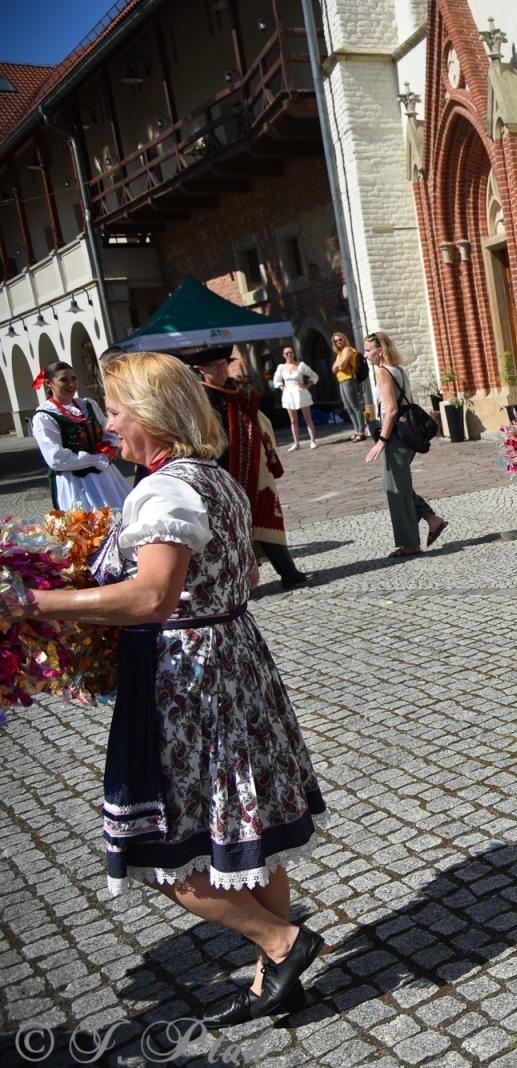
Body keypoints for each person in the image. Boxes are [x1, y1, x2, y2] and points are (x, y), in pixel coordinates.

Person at [2, 351, 326, 1027]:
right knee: (253, 830)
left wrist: (32, 604)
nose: (109, 424)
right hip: (234, 660)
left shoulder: (164, 492)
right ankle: (274, 976)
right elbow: (244, 576)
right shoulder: (215, 478)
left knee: (154, 849)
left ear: (152, 415)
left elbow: (152, 597)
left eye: (118, 411)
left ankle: (281, 941)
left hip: (187, 680)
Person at [184, 347, 312, 590]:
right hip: (220, 470)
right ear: (201, 370)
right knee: (231, 530)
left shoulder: (236, 392)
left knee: (265, 516)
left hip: (250, 466)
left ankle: (289, 573)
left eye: (224, 364)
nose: (222, 370)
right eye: (215, 366)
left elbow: (256, 420)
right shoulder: (199, 399)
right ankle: (239, 583)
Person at [363, 332, 448, 557]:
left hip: (396, 437)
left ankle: (410, 544)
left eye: (368, 350)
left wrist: (381, 441)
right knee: (394, 484)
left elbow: (391, 410)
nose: (365, 355)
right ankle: (431, 518)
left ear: (380, 350)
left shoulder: (383, 371)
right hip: (406, 435)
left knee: (395, 489)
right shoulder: (398, 370)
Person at [30, 360, 130, 510]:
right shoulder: (45, 417)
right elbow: (56, 458)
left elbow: (108, 432)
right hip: (76, 483)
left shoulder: (88, 405)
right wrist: (96, 458)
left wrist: (111, 447)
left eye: (73, 378)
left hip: (107, 477)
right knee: (88, 520)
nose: (71, 384)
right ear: (49, 383)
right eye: (64, 380)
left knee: (122, 512)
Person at [270, 344, 319, 450]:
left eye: (291, 352)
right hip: (289, 394)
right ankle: (296, 443)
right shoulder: (281, 367)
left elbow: (314, 376)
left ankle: (312, 441)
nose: (289, 355)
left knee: (307, 418)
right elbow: (276, 380)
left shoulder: (301, 365)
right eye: (286, 353)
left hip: (301, 392)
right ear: (283, 355)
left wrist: (308, 385)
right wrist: (282, 387)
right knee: (293, 420)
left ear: (293, 354)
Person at [331, 331, 367, 442]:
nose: (338, 342)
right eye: (335, 341)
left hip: (349, 379)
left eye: (340, 339)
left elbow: (342, 366)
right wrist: (338, 366)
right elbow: (333, 370)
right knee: (348, 407)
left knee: (355, 406)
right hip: (341, 381)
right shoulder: (339, 353)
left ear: (344, 339)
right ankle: (356, 430)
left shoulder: (347, 349)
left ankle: (361, 432)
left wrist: (338, 366)